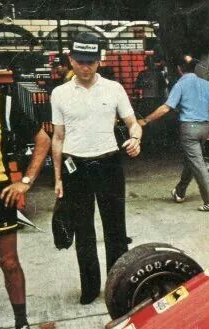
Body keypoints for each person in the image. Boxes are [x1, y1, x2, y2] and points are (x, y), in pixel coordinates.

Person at [51, 32, 143, 305]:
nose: (85, 67)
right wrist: (57, 178)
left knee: (115, 228)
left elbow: (133, 123)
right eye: (80, 61)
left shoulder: (114, 89)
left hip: (109, 163)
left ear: (99, 61)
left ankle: (118, 286)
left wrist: (136, 138)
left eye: (91, 61)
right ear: (71, 60)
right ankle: (90, 288)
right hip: (75, 166)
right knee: (83, 230)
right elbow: (57, 138)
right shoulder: (60, 94)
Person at [0, 89, 51, 329]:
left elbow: (43, 140)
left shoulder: (3, 104)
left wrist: (25, 182)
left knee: (9, 262)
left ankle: (21, 325)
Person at [139, 54, 209, 211]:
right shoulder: (206, 84)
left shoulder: (180, 85)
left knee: (197, 163)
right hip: (204, 128)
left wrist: (146, 120)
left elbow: (166, 107)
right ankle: (180, 191)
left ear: (179, 69)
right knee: (192, 160)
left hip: (189, 129)